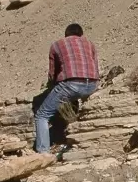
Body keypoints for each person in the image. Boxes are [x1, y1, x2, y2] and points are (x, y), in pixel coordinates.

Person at [35, 23, 100, 155]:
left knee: (42, 115)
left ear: (66, 35)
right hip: (92, 84)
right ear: (81, 35)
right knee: (72, 103)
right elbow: (96, 67)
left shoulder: (57, 45)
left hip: (71, 85)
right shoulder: (90, 44)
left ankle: (43, 152)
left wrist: (51, 88)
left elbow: (52, 74)